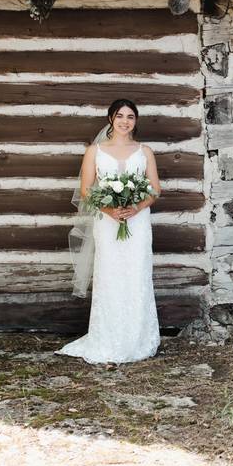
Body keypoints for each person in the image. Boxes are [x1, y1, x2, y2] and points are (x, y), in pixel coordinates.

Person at [57, 99, 162, 364]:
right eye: (120, 116)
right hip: (107, 222)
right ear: (110, 119)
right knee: (111, 275)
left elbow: (156, 189)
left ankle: (138, 338)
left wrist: (136, 207)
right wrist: (109, 210)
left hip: (137, 223)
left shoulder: (144, 151)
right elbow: (86, 189)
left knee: (137, 273)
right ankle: (109, 338)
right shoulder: (95, 151)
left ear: (136, 121)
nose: (125, 121)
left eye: (130, 116)